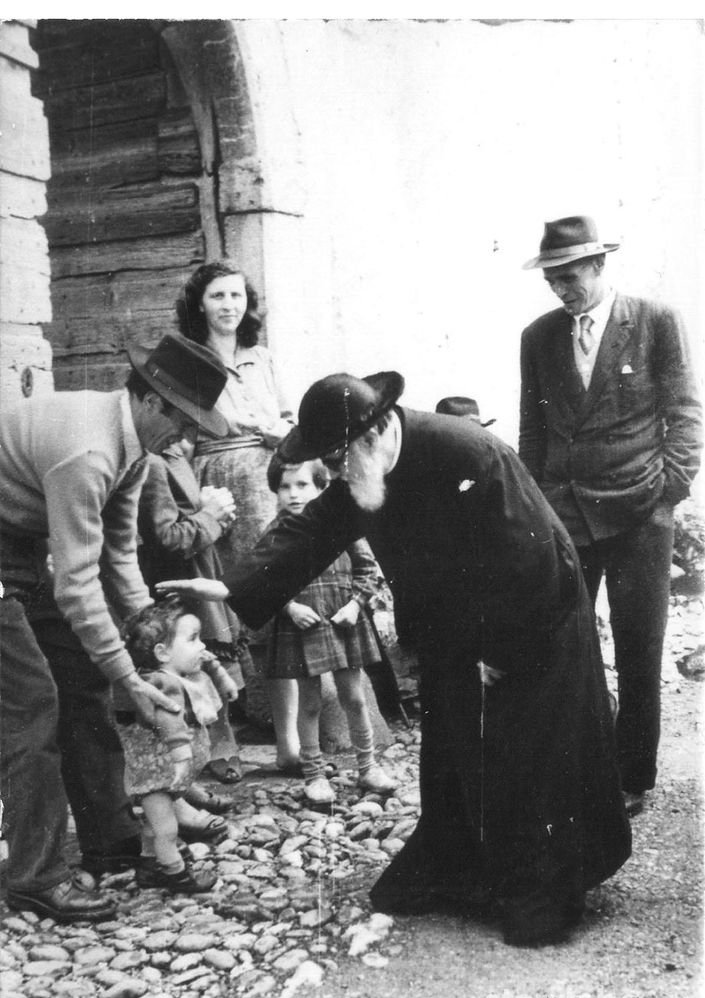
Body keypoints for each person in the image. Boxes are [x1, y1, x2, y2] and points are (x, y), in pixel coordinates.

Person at [157, 371, 632, 948]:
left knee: (529, 756)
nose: (329, 475)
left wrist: (500, 651)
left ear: (376, 431)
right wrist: (232, 589)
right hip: (457, 625)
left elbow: (530, 558)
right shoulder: (364, 467)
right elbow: (312, 530)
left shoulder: (470, 451)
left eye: (335, 460)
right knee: (456, 746)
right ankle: (455, 871)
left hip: (534, 617)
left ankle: (546, 893)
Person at [0, 333, 228, 922]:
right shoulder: (90, 452)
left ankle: (110, 838)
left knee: (83, 677)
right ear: (150, 402)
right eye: (183, 422)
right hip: (8, 554)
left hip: (18, 546)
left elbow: (119, 560)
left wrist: (145, 654)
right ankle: (34, 876)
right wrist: (134, 679)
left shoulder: (135, 451)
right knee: (33, 706)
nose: (187, 438)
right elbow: (77, 583)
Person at [519, 215, 703, 818]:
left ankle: (632, 776)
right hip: (567, 514)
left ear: (599, 266)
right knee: (567, 646)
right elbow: (532, 432)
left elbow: (686, 414)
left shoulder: (654, 321)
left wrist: (665, 494)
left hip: (638, 512)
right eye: (552, 280)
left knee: (638, 646)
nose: (560, 290)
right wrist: (538, 509)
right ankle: (584, 766)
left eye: (569, 277)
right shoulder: (539, 337)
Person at [176, 259, 299, 764]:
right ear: (199, 305)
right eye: (217, 297)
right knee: (222, 603)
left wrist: (283, 433)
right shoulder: (188, 358)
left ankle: (289, 733)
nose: (229, 306)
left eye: (236, 296)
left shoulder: (260, 357)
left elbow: (287, 414)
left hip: (269, 473)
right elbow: (193, 425)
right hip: (217, 478)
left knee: (274, 589)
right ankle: (224, 737)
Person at [265, 457, 396, 805]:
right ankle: (314, 774)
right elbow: (263, 581)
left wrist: (355, 606)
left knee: (353, 697)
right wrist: (290, 607)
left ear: (322, 488)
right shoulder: (276, 535)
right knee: (309, 703)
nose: (293, 494)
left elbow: (368, 570)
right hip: (303, 625)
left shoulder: (341, 525)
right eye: (284, 486)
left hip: (343, 621)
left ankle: (368, 766)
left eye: (302, 485)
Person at [137, 437, 245, 788]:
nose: (186, 435)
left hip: (201, 563)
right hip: (172, 572)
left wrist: (214, 515)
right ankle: (184, 748)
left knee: (212, 648)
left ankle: (221, 734)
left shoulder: (176, 452)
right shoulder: (151, 460)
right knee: (179, 655)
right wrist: (211, 517)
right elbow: (165, 536)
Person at [117, 599, 233, 892]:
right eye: (192, 639)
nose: (201, 645)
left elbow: (208, 659)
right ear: (162, 652)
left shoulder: (179, 674)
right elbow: (170, 722)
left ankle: (148, 867)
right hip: (158, 776)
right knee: (166, 829)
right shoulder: (160, 684)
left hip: (164, 776)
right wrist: (182, 757)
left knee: (151, 827)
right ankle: (177, 875)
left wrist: (223, 678)